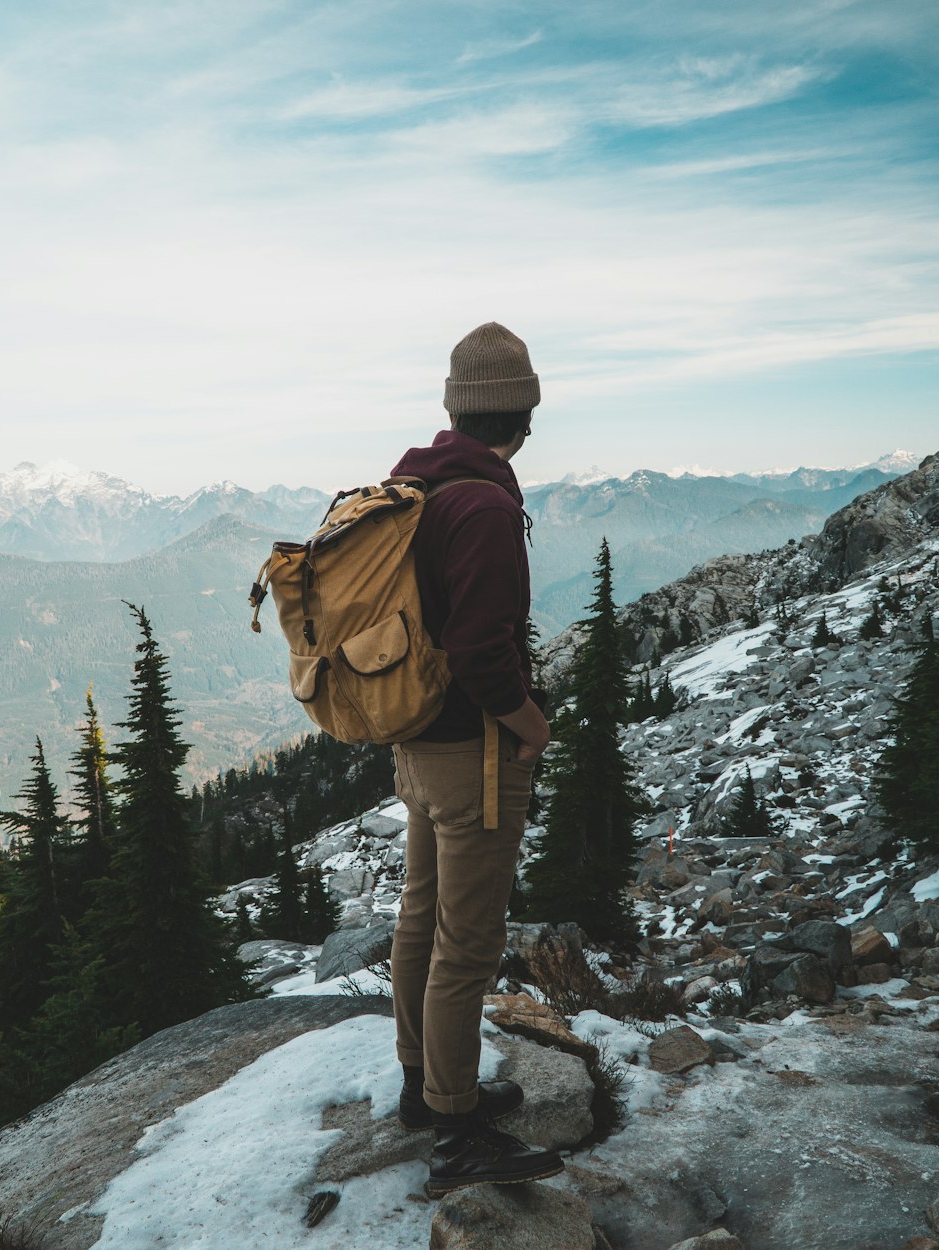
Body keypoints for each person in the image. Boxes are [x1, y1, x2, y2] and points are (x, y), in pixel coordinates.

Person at [388, 322, 564, 1196]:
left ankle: (425, 1087)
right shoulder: (486, 505)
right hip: (474, 752)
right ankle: (459, 1134)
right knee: (467, 946)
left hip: (415, 741)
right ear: (523, 411)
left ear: (457, 408)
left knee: (421, 920)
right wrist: (530, 725)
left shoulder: (417, 482)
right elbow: (484, 651)